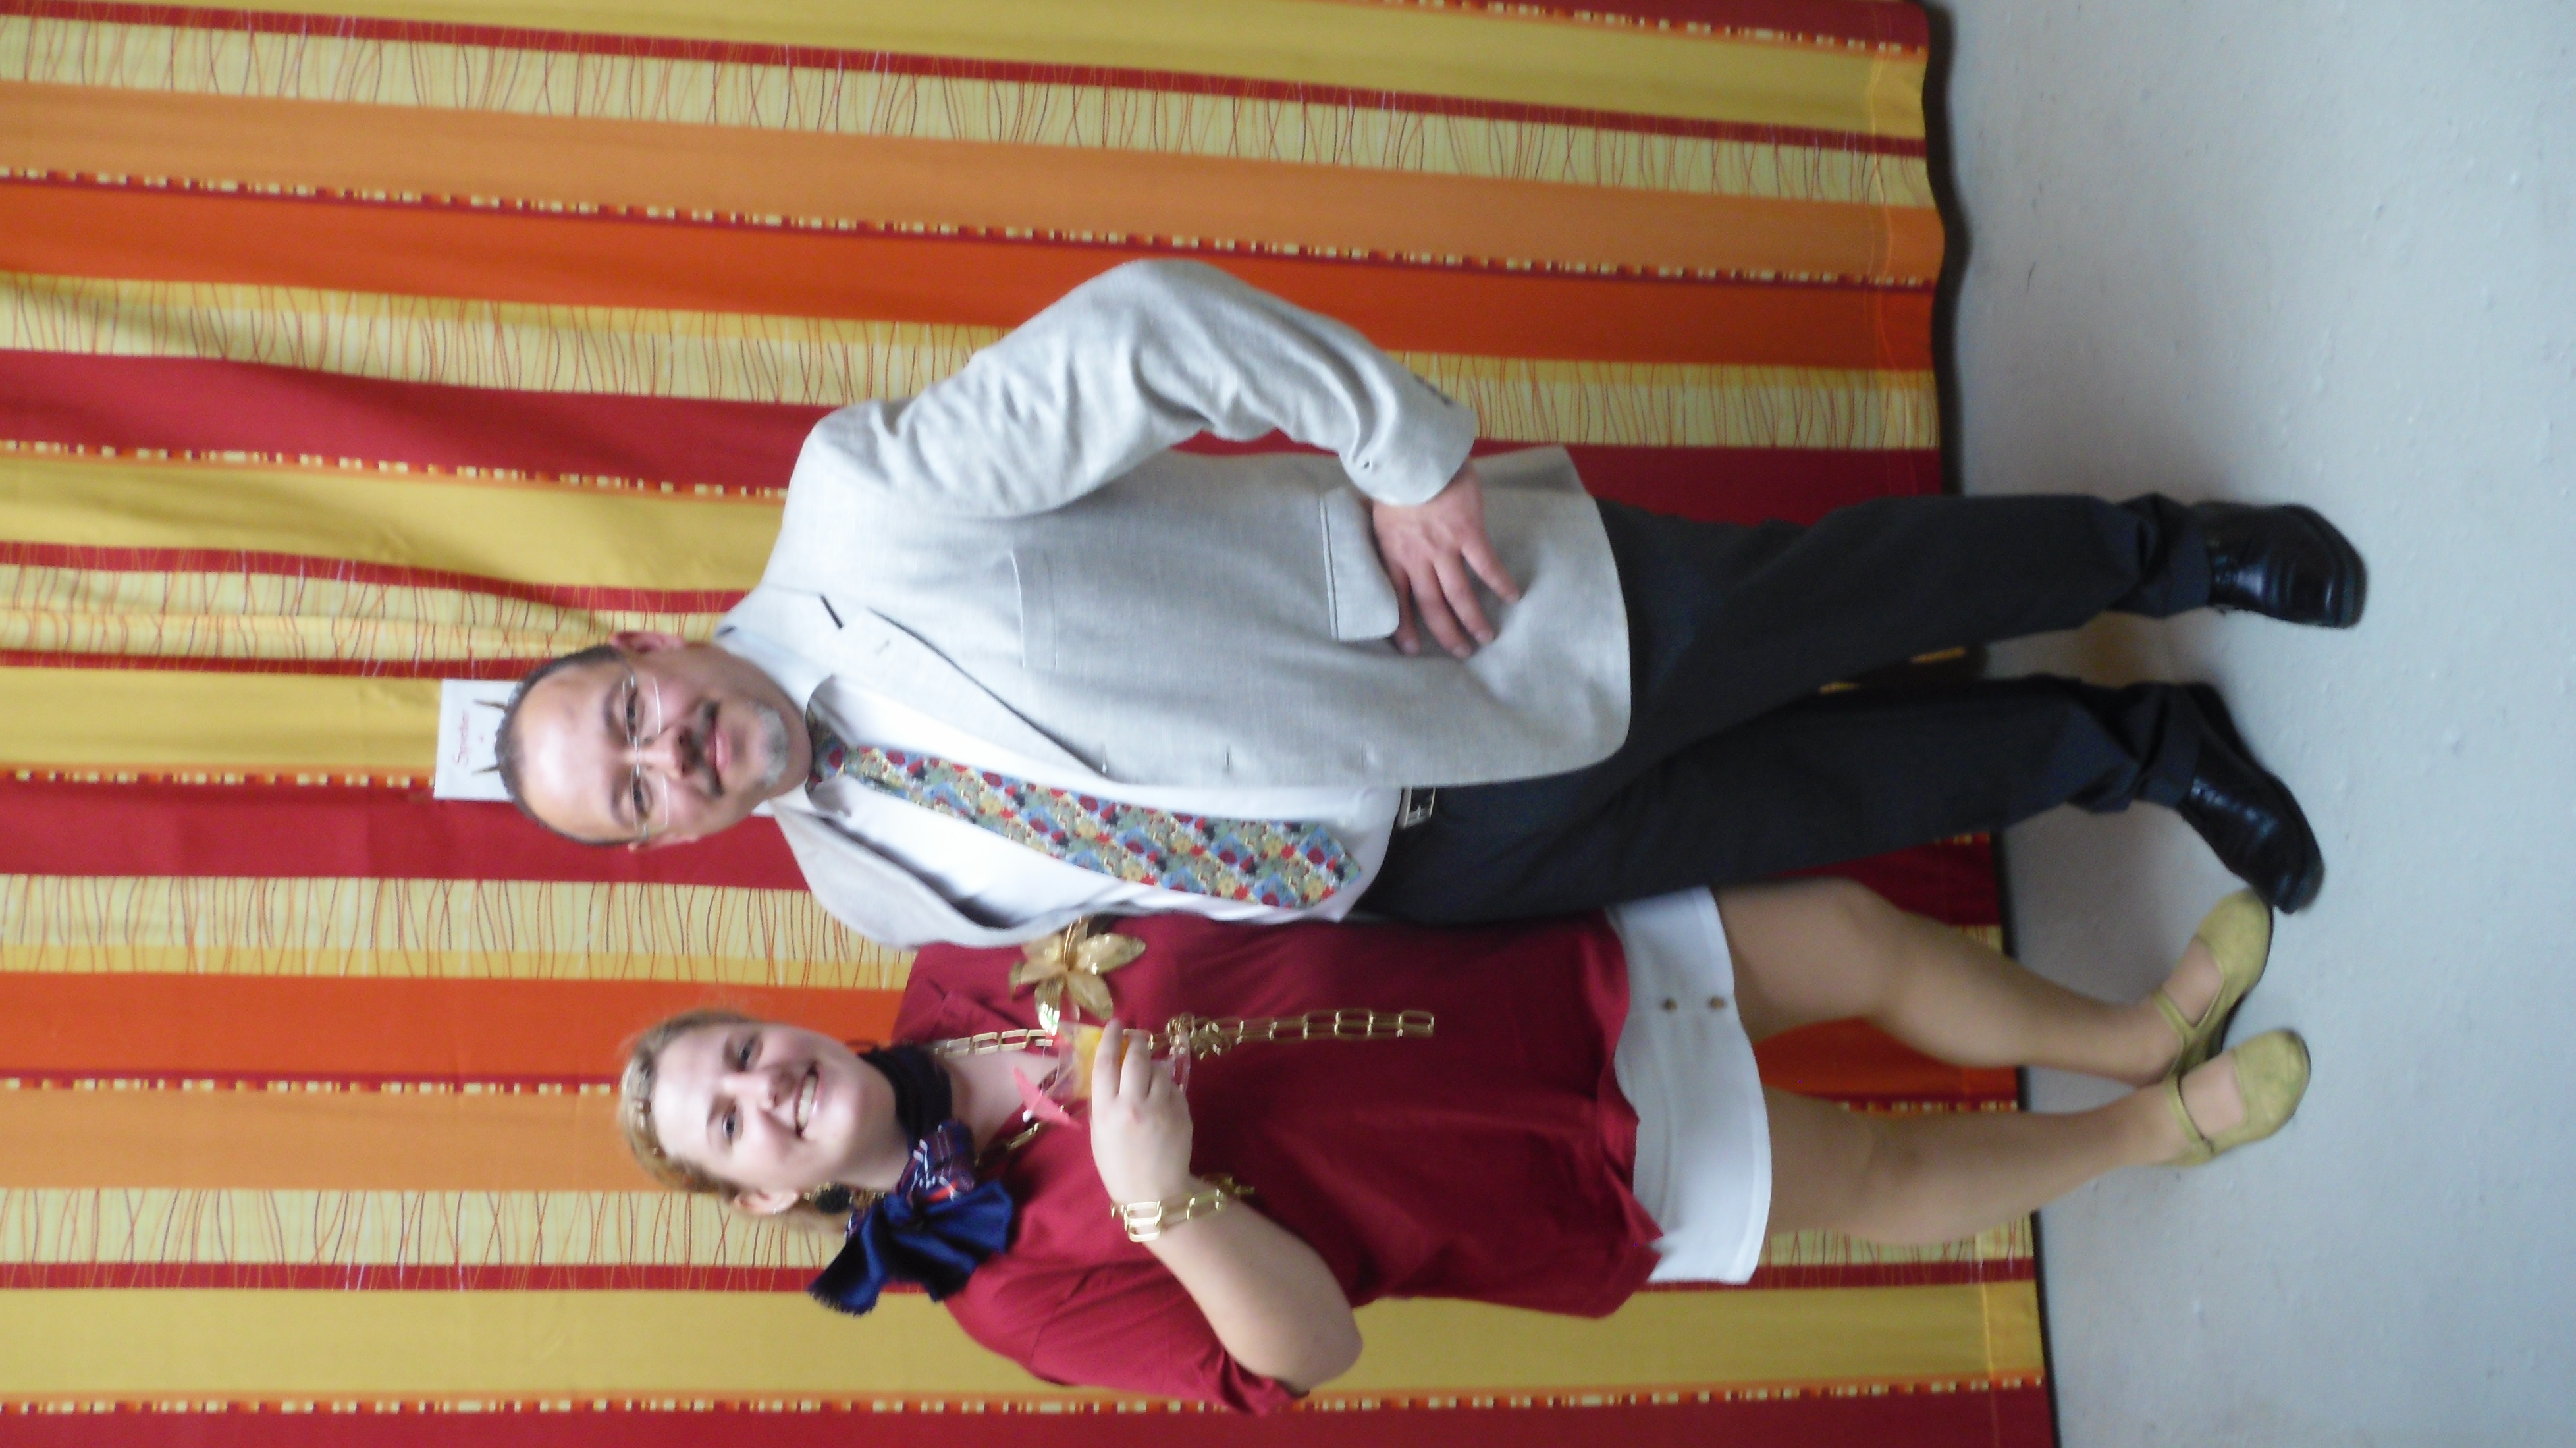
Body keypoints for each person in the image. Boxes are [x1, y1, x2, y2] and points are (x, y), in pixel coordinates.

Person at [498, 258, 2365, 947]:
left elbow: (1144, 333)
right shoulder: (853, 885)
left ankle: (2168, 554)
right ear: (662, 844)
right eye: (635, 794)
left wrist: (1399, 451)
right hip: (1417, 872)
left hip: (1442, 621)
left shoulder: (856, 508)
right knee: (1829, 798)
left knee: (1841, 603)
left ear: (647, 644)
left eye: (629, 716)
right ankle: (2138, 752)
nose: (671, 756)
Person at [615, 883, 2307, 1411]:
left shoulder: (955, 957)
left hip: (1519, 964)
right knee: (1872, 1175)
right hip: (1521, 1171)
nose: (766, 1088)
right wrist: (1160, 1202)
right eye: (730, 1120)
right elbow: (1305, 1352)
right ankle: (2146, 1129)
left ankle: (2131, 1030)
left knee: (1856, 938)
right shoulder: (1007, 1296)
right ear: (766, 1194)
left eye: (740, 1052)